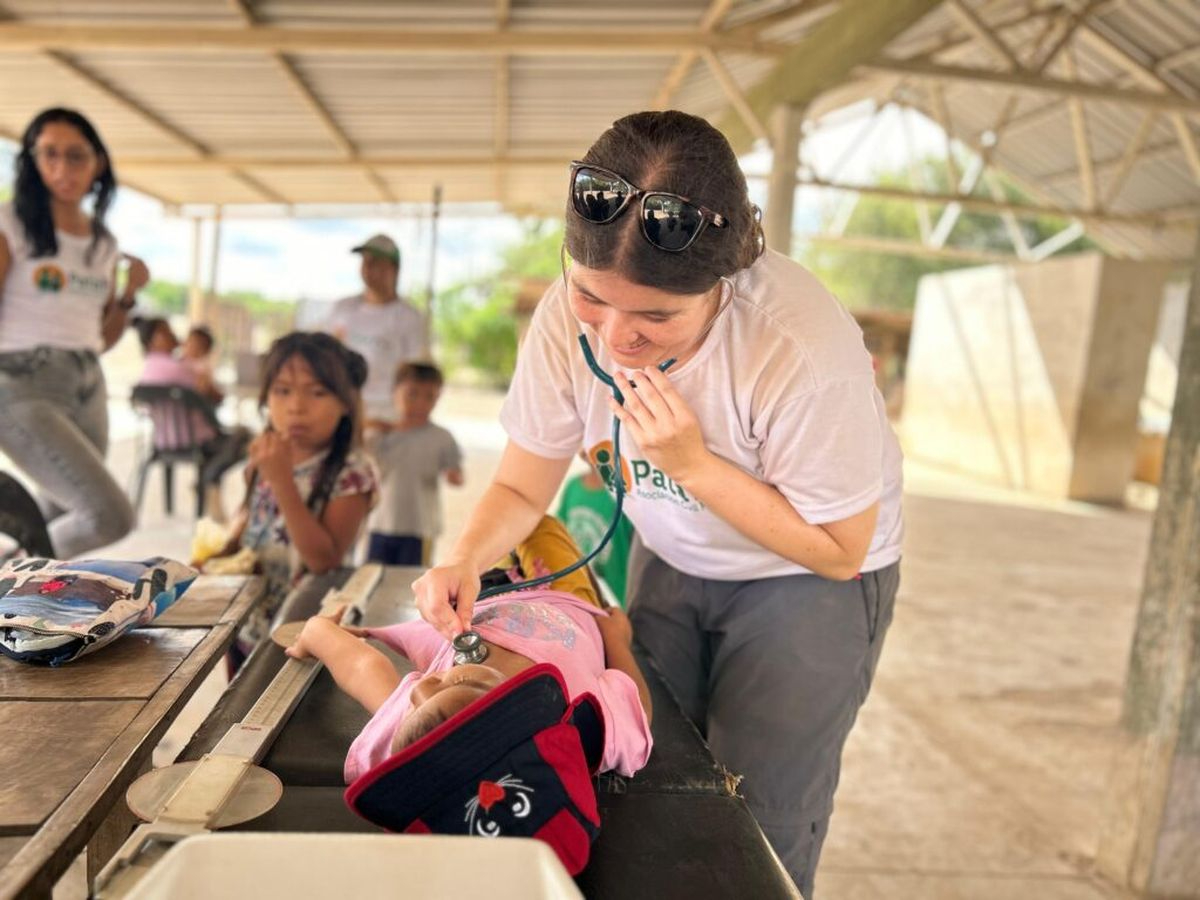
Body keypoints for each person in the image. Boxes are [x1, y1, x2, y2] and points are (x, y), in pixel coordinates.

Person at [412, 111, 904, 899]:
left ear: (724, 281)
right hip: (670, 552)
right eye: (592, 301)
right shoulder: (564, 318)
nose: (614, 341)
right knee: (637, 761)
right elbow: (519, 483)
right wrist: (465, 558)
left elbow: (839, 548)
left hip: (805, 583)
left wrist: (694, 466)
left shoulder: (800, 349)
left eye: (656, 317)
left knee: (762, 808)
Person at [286, 515, 652, 781]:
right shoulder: (581, 718)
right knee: (535, 523)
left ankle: (502, 562)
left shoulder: (415, 739)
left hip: (477, 599)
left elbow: (360, 666)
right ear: (515, 705)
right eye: (452, 685)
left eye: (415, 702)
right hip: (563, 601)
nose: (420, 686)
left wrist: (316, 632)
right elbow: (639, 712)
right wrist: (617, 638)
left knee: (490, 532)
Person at [0, 107, 149, 557]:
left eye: (75, 156)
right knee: (108, 516)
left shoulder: (103, 242)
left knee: (58, 514)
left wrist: (127, 296)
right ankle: (12, 581)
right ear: (33, 160)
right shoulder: (12, 223)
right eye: (49, 155)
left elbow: (100, 338)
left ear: (97, 163)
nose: (61, 169)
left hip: (87, 381)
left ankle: (19, 591)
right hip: (22, 382)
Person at [204, 331, 379, 663]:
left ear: (345, 403)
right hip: (247, 620)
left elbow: (323, 560)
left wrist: (282, 480)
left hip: (305, 631)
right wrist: (221, 553)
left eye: (317, 392)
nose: (296, 407)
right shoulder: (265, 453)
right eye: (282, 391)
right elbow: (249, 517)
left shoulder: (352, 473)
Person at [131, 316, 249, 520]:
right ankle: (209, 478)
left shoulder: (148, 369)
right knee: (245, 436)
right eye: (166, 332)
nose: (175, 335)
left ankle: (208, 479)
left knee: (229, 441)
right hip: (196, 441)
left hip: (161, 441)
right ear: (153, 340)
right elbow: (215, 397)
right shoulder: (180, 368)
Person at [324, 234, 427, 429]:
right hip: (343, 407)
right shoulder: (342, 309)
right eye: (365, 262)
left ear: (394, 269)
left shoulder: (408, 317)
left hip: (385, 414)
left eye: (377, 263)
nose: (368, 269)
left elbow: (413, 373)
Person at [365, 362, 463, 567]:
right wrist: (370, 424)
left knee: (411, 583)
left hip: (420, 527)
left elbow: (456, 474)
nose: (420, 403)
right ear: (395, 393)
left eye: (429, 397)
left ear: (438, 398)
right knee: (369, 580)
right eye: (412, 394)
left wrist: (454, 476)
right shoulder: (379, 434)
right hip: (380, 523)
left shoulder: (442, 438)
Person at [555, 451, 634, 606]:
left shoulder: (624, 495)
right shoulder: (573, 486)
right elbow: (559, 535)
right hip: (582, 597)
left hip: (620, 600)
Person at [180, 324, 224, 408]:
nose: (185, 344)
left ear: (202, 350)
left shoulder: (201, 366)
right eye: (188, 340)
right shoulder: (181, 361)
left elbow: (204, 387)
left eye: (191, 343)